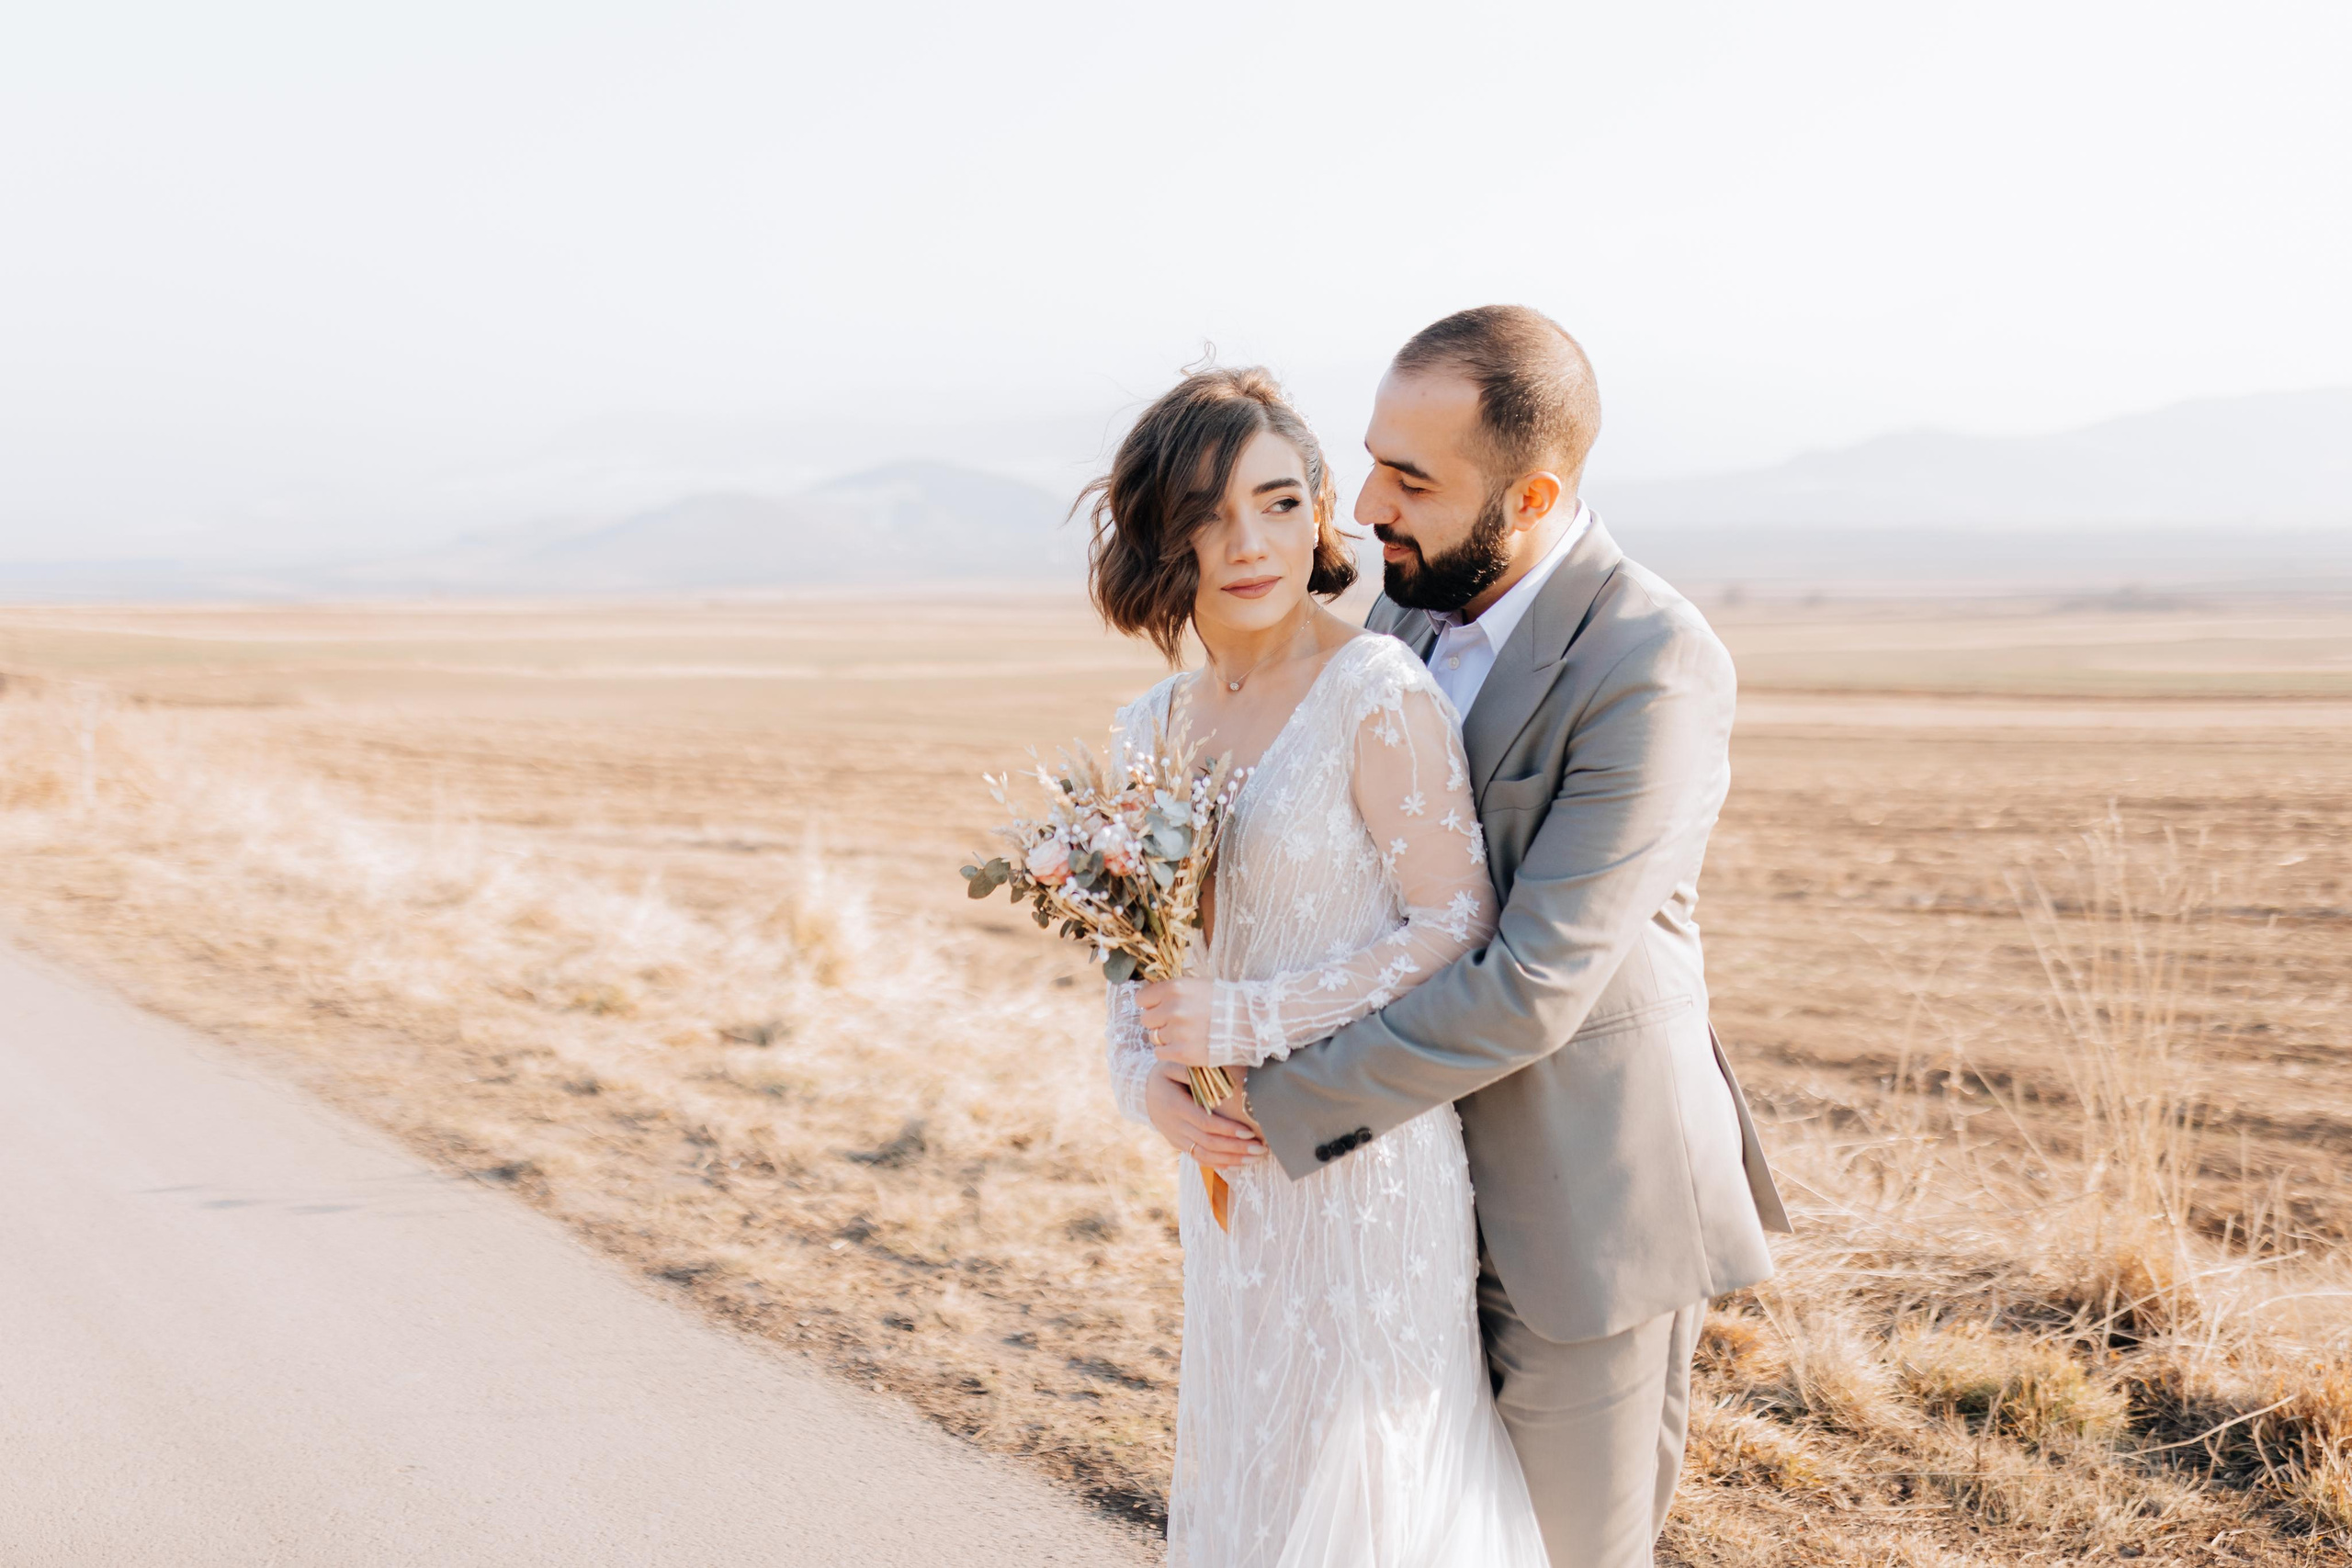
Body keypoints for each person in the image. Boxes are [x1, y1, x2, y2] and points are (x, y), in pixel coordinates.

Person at [1138, 307, 1792, 1568]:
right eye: (1374, 458)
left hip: (1575, 1206)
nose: (1366, 501)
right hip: (1396, 1206)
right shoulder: (1402, 622)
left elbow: (1535, 980)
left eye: (1413, 478)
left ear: (1533, 493)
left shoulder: (1651, 661)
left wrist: (1274, 1107)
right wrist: (1161, 1061)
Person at [1090, 364, 1550, 1567]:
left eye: (1282, 502)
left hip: (1367, 1163)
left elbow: (1454, 924)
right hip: (1228, 1181)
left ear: (1321, 510)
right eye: (1209, 510)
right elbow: (1126, 966)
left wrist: (1249, 1018)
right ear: (1160, 536)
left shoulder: (1375, 691)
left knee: (1362, 1482)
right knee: (1260, 1456)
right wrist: (1149, 1090)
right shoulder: (1150, 727)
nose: (1250, 541)